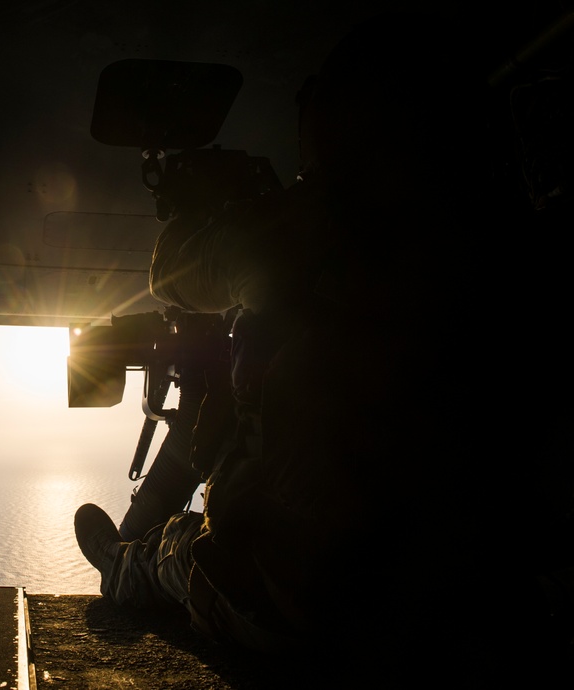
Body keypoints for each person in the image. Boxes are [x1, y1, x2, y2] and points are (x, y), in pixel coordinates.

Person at [74, 11, 574, 681]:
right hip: (471, 603)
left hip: (303, 605)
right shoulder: (517, 239)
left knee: (179, 552)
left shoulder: (303, 231)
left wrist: (224, 210)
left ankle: (121, 569)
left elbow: (170, 274)